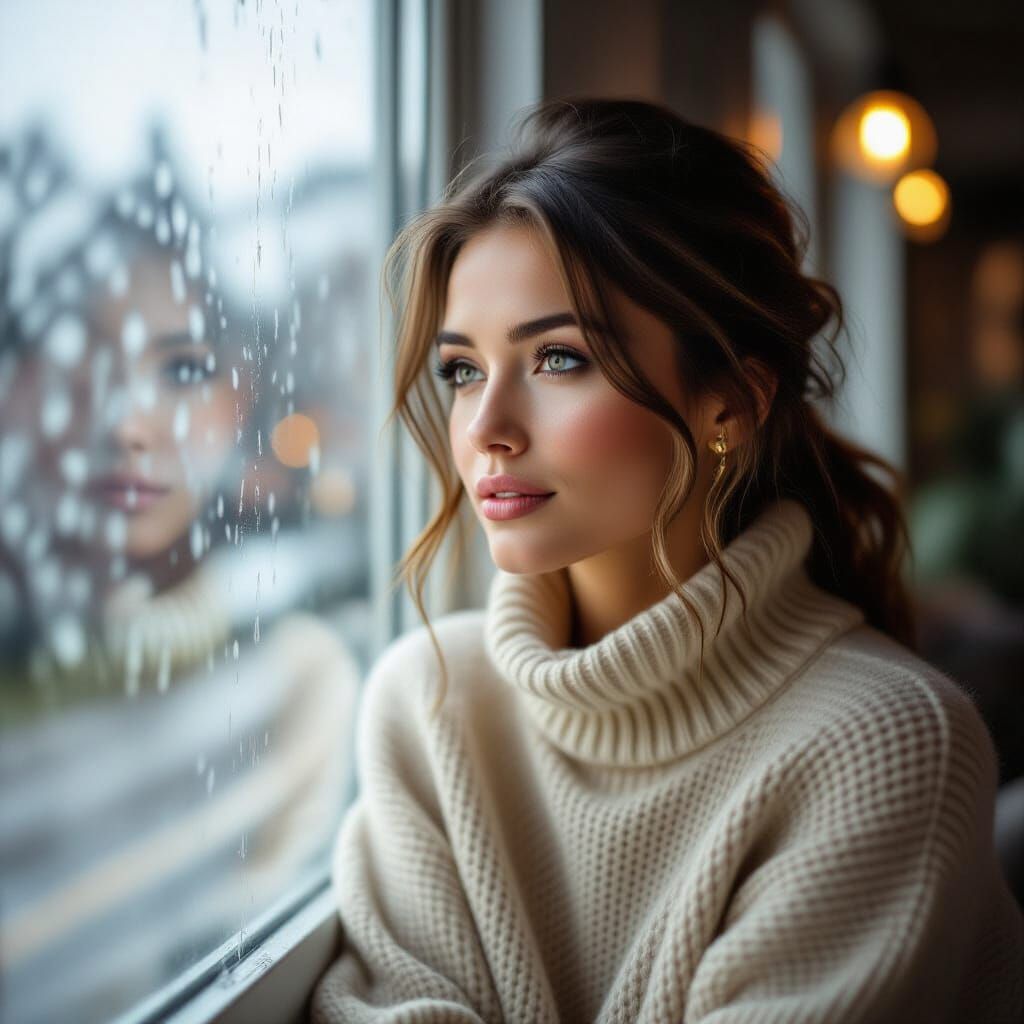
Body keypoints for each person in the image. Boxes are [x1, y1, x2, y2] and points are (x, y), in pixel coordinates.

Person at [309, 98, 1024, 1023]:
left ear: (729, 400)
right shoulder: (429, 705)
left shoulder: (887, 743)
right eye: (461, 370)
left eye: (559, 359)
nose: (485, 430)